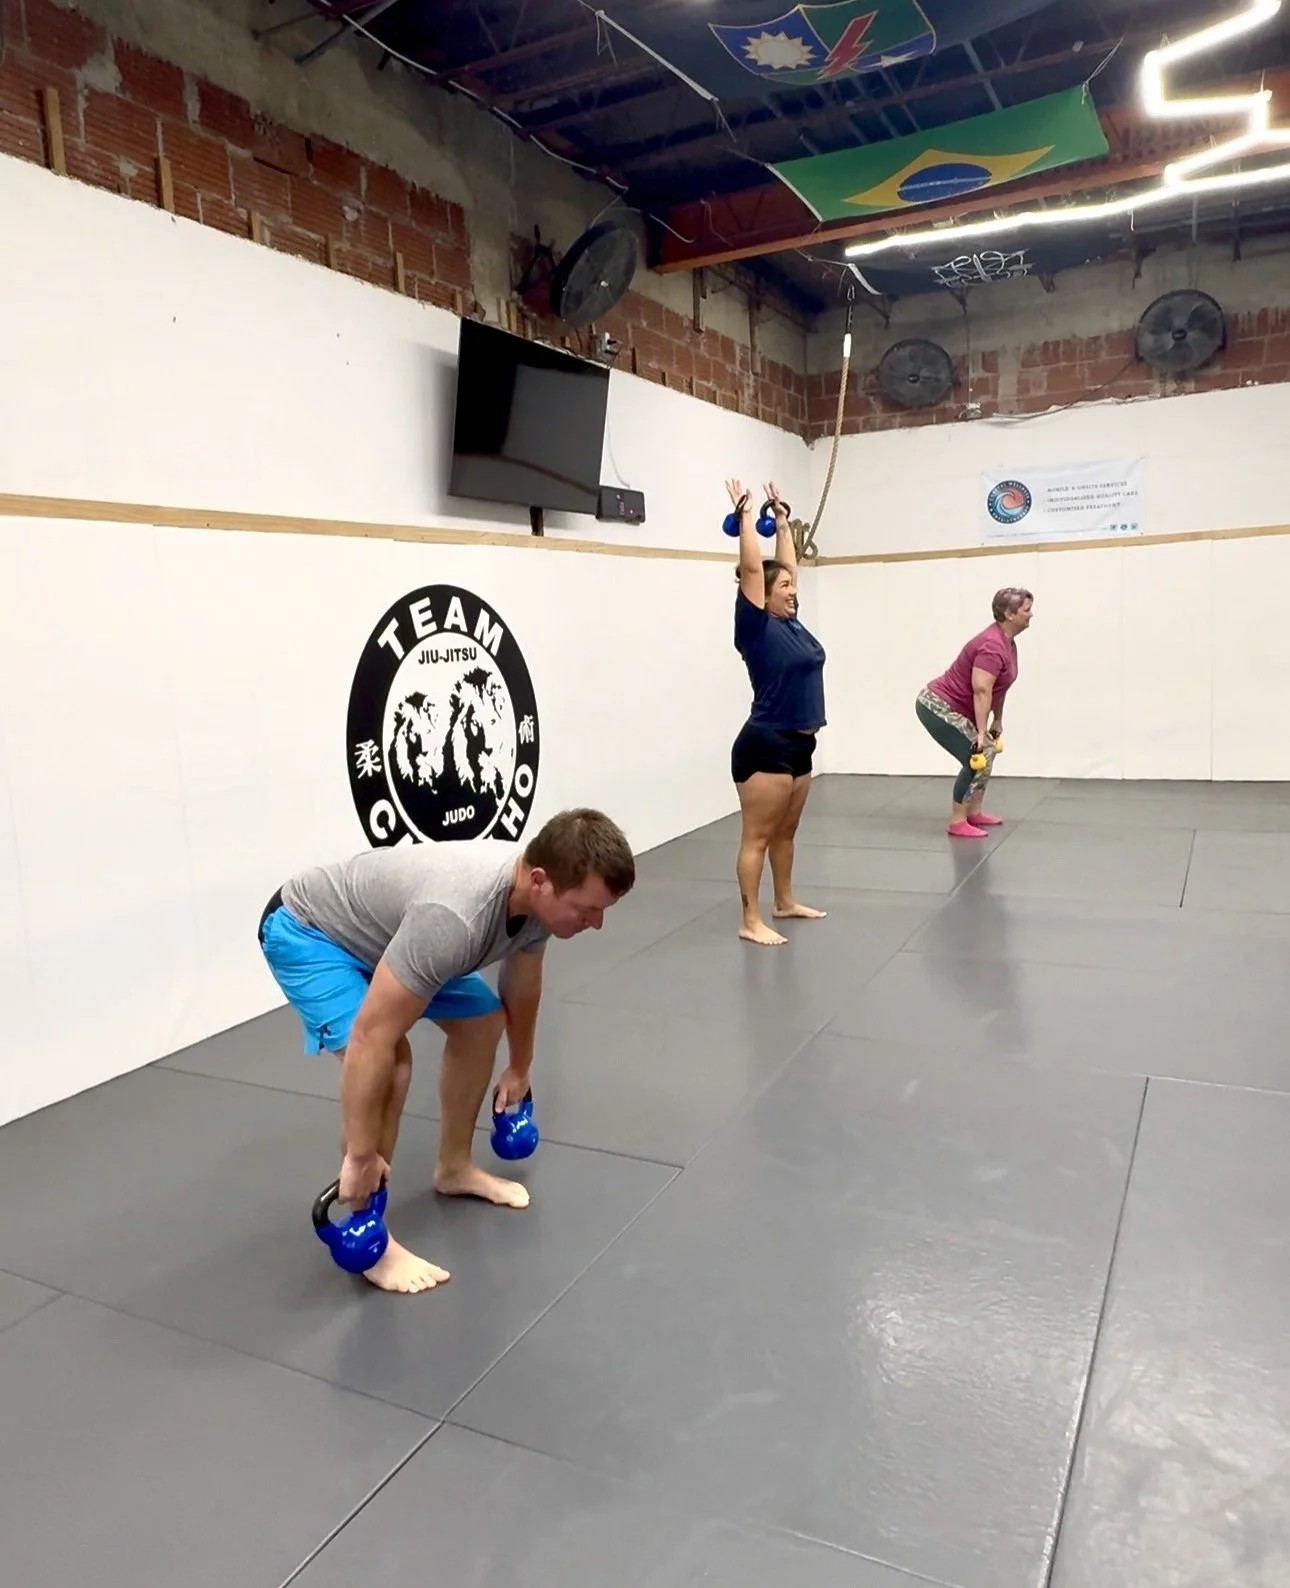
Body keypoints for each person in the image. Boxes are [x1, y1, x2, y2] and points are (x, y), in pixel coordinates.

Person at [257, 808, 635, 1295]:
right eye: (587, 910)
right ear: (540, 881)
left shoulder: (536, 903)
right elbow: (372, 1038)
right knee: (392, 1062)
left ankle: (454, 1168)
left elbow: (522, 983)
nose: (597, 924)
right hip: (311, 932)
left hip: (394, 938)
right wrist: (359, 1154)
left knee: (482, 1023)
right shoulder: (456, 919)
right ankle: (368, 1234)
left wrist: (521, 1067)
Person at [726, 476, 828, 946]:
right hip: (765, 743)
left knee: (786, 833)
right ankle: (750, 920)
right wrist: (747, 518)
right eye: (783, 586)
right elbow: (753, 568)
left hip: (800, 743)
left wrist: (783, 520)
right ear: (762, 595)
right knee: (758, 837)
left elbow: (783, 564)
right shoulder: (755, 627)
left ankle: (783, 902)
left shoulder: (792, 621)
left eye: (791, 584)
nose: (791, 589)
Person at [916, 588, 1034, 837]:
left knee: (988, 751)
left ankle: (974, 812)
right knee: (977, 752)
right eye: (1026, 610)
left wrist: (997, 720)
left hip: (958, 706)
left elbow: (999, 687)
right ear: (1009, 614)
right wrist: (980, 733)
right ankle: (958, 821)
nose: (1031, 615)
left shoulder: (1008, 644)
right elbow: (981, 689)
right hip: (937, 705)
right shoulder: (992, 645)